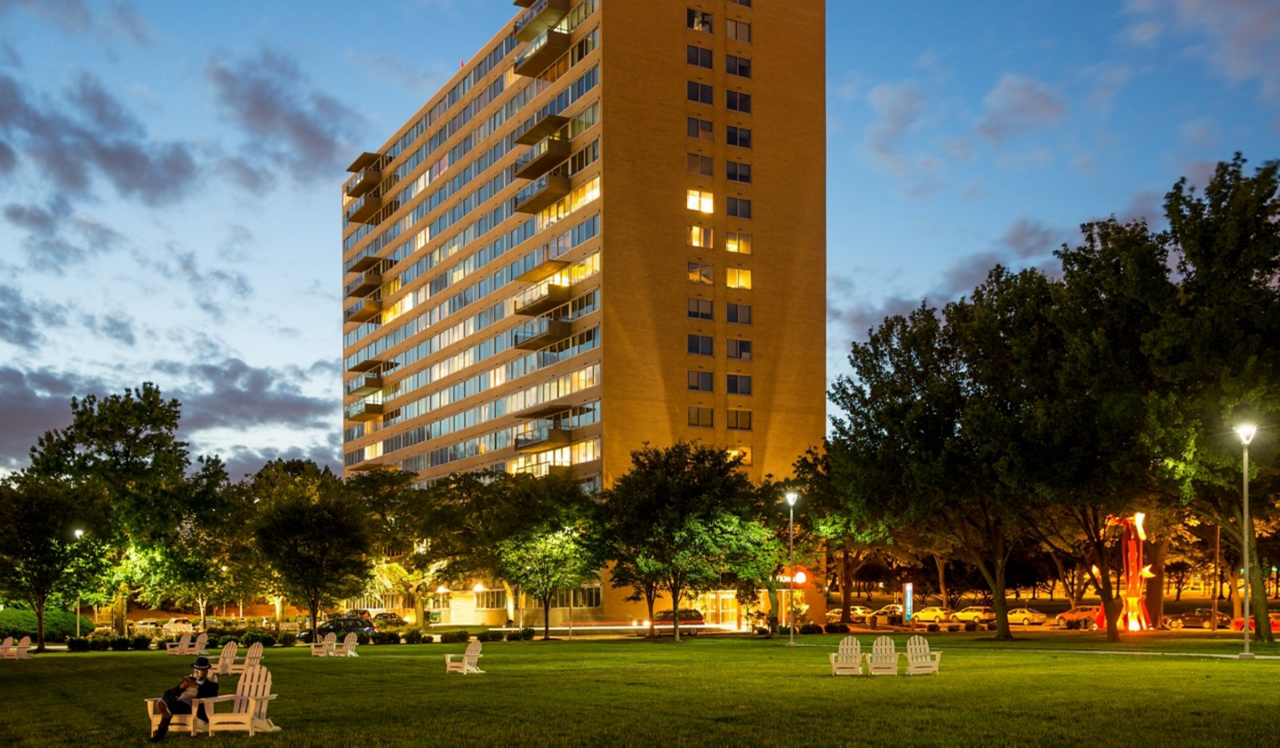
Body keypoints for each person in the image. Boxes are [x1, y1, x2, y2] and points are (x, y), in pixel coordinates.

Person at [149, 656, 219, 741]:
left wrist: (197, 686)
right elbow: (174, 692)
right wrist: (181, 687)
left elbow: (211, 696)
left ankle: (160, 733)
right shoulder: (188, 681)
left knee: (170, 706)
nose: (196, 673)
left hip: (192, 708)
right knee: (168, 693)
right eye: (195, 670)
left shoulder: (211, 685)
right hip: (178, 704)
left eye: (199, 671)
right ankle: (166, 707)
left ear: (206, 671)